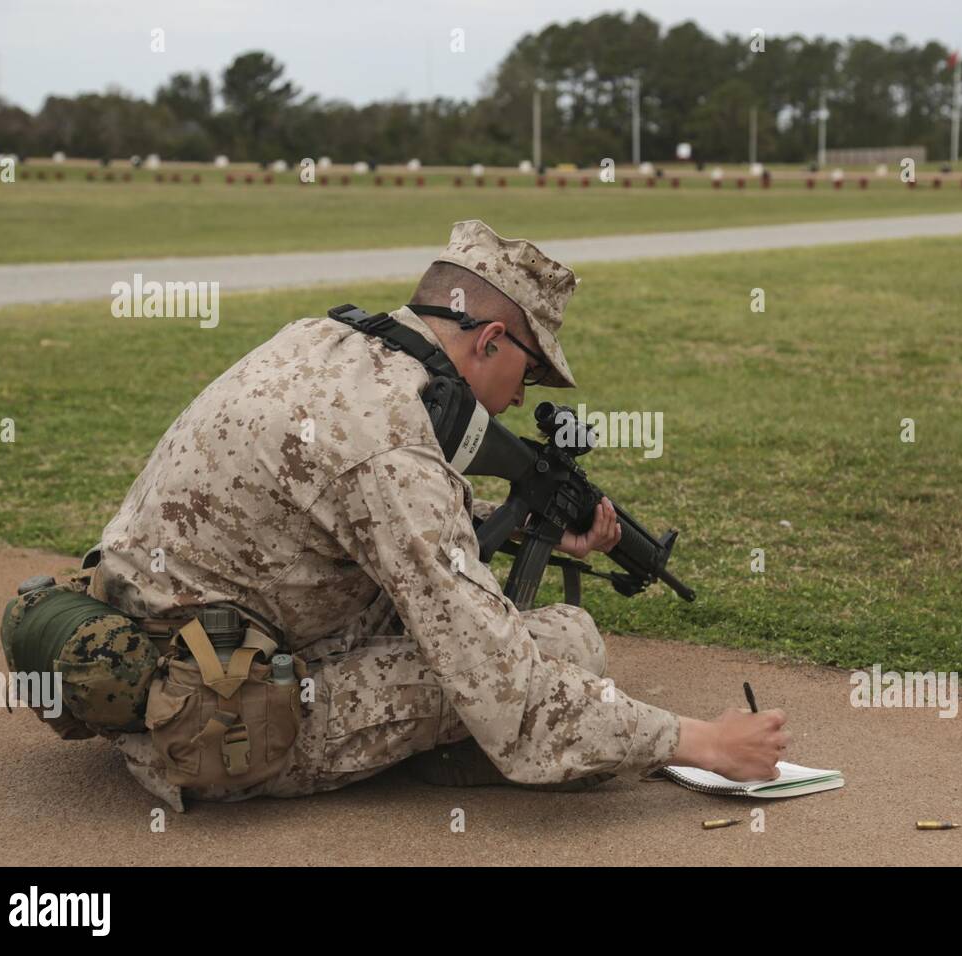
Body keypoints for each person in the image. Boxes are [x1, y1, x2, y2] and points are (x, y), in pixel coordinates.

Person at [90, 219, 788, 811]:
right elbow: (512, 697)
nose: (521, 398)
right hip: (210, 726)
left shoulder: (319, 342)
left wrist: (511, 521)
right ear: (487, 340)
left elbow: (348, 510)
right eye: (532, 371)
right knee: (566, 645)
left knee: (551, 646)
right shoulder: (391, 440)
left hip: (147, 656)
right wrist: (705, 743)